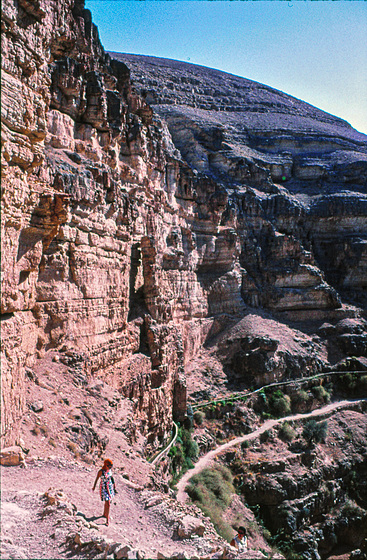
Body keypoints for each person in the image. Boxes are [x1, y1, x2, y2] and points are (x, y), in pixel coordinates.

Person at [92, 458, 117, 526]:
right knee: (107, 502)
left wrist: (114, 486)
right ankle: (107, 519)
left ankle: (105, 515)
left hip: (109, 487)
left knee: (107, 502)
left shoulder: (109, 471)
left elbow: (111, 478)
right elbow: (97, 479)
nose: (110, 467)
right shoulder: (101, 472)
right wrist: (94, 486)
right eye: (109, 466)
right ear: (106, 465)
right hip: (103, 488)